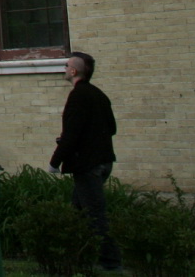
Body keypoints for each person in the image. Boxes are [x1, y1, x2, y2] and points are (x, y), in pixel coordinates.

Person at [49, 50, 122, 271]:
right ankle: (78, 257)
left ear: (73, 71)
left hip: (87, 165)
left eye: (66, 66)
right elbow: (111, 128)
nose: (64, 69)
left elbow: (72, 133)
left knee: (93, 214)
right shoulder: (99, 95)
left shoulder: (78, 96)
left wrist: (55, 161)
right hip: (103, 162)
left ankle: (110, 263)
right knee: (78, 211)